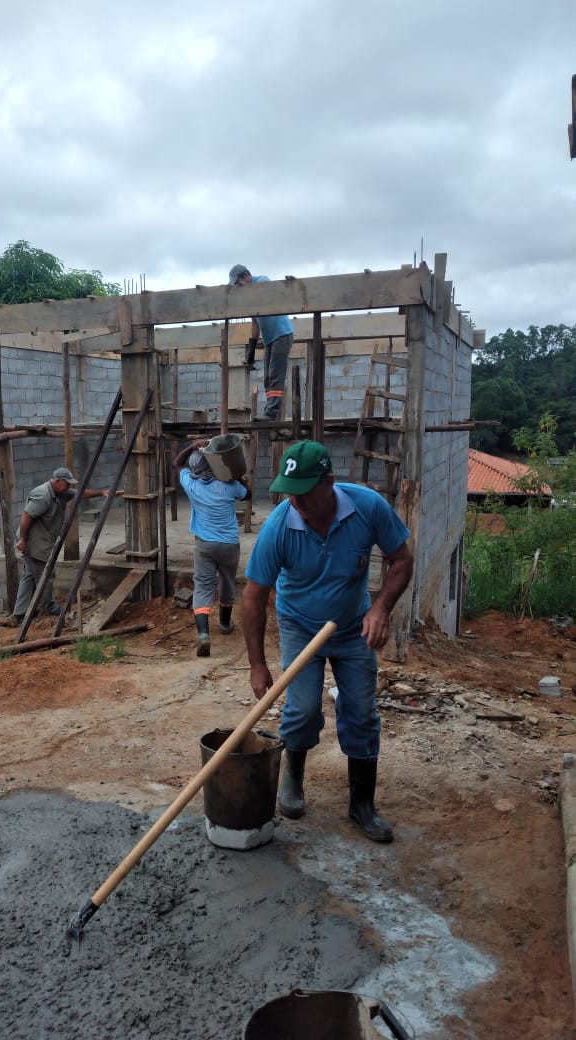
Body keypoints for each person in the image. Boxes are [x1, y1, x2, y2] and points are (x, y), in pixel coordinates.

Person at [241, 440, 413, 842]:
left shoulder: (367, 507)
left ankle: (362, 803)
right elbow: (253, 596)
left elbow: (402, 559)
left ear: (329, 482)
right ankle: (293, 777)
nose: (295, 501)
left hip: (353, 627)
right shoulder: (279, 527)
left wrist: (381, 608)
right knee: (301, 710)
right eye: (289, 492)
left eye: (303, 492)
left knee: (361, 711)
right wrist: (257, 665)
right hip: (300, 626)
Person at [1, 467, 109, 626]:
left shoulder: (60, 492)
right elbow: (26, 516)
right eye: (67, 484)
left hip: (43, 540)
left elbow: (79, 494)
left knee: (29, 575)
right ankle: (47, 606)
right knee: (46, 575)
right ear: (57, 481)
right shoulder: (43, 495)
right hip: (36, 542)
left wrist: (102, 493)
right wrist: (23, 539)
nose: (69, 487)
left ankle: (19, 614)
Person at [174, 440, 251, 657]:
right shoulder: (228, 485)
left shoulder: (191, 485)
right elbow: (248, 494)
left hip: (204, 545)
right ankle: (225, 625)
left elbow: (176, 464)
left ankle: (203, 635)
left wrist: (191, 446)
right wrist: (234, 474)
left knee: (202, 587)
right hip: (229, 545)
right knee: (227, 582)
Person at [228, 264, 294, 421]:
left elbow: (274, 292)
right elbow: (255, 325)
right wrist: (251, 348)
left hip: (282, 333)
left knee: (275, 375)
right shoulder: (249, 299)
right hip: (270, 340)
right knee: (267, 377)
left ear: (246, 276)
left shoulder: (261, 282)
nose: (238, 287)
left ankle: (271, 413)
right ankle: (269, 411)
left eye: (238, 283)